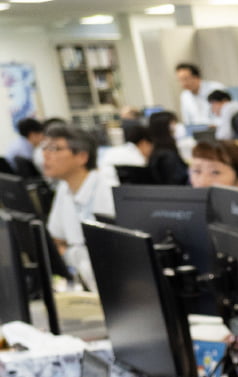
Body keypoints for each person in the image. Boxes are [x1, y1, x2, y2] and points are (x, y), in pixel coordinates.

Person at [39, 123, 116, 290]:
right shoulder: (64, 188)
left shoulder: (106, 191)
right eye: (44, 147)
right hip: (81, 281)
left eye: (54, 148)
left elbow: (113, 253)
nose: (45, 154)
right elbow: (56, 240)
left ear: (82, 157)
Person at [135, 112, 191, 185]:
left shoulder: (156, 152)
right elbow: (179, 180)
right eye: (173, 125)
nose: (176, 128)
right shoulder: (168, 156)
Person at [175, 62, 227, 129]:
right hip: (197, 132)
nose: (183, 83)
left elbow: (227, 114)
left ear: (196, 77)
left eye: (185, 79)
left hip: (218, 129)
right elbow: (187, 121)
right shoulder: (184, 96)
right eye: (180, 80)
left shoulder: (216, 88)